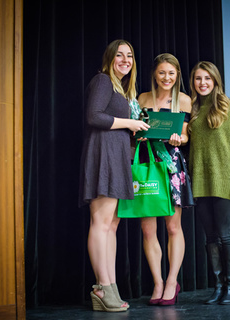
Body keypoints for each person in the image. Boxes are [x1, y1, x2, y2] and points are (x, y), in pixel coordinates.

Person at [78, 39, 150, 312]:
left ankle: (109, 287)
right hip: (103, 155)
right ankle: (102, 286)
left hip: (117, 158)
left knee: (112, 225)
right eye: (119, 55)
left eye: (129, 55)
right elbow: (93, 116)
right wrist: (130, 123)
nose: (125, 60)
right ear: (109, 58)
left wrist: (135, 132)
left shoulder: (122, 89)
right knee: (101, 222)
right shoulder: (103, 81)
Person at [137, 53, 194, 306]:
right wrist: (137, 135)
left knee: (173, 227)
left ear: (177, 75)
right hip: (148, 163)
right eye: (162, 72)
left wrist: (179, 139)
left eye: (171, 73)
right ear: (154, 74)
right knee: (148, 229)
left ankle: (172, 281)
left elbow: (185, 136)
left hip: (171, 164)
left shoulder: (184, 100)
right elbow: (137, 129)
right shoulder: (142, 99)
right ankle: (158, 282)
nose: (167, 78)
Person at [188, 61, 230, 305]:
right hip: (200, 183)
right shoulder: (191, 109)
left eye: (207, 79)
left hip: (225, 182)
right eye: (198, 79)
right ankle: (218, 286)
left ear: (215, 81)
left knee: (226, 235)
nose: (202, 83)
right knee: (210, 237)